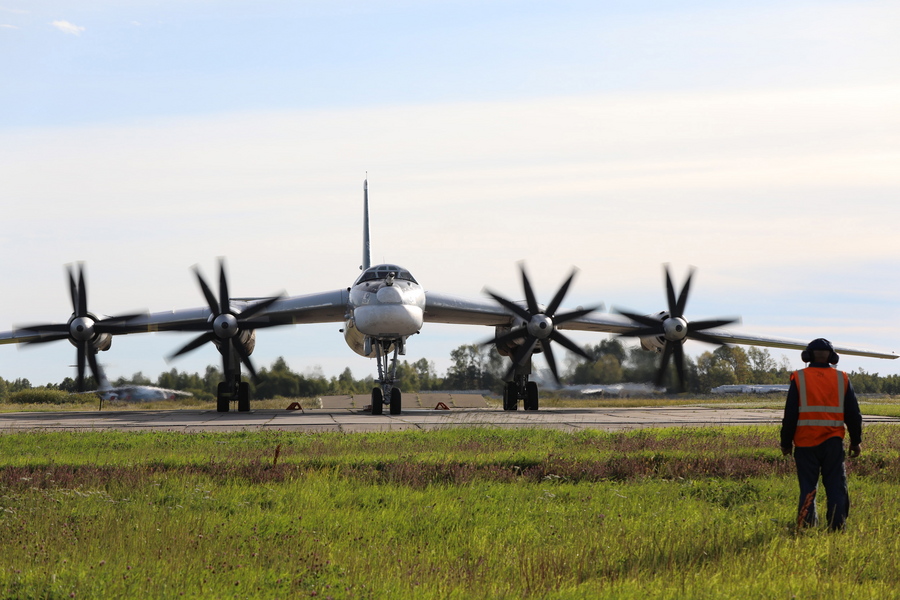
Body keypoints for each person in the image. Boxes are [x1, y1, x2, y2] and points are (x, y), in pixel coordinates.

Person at [780, 338, 862, 531]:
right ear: (833, 357)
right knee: (836, 487)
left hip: (805, 442)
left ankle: (807, 527)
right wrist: (856, 441)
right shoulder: (841, 378)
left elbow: (790, 415)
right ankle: (837, 526)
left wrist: (785, 443)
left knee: (808, 489)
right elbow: (853, 413)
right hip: (833, 443)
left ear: (807, 356)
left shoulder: (799, 378)